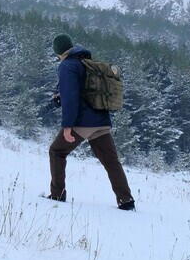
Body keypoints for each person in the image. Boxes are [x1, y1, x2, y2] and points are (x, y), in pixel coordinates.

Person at [47, 33, 136, 211]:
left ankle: (57, 194)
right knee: (111, 161)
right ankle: (126, 200)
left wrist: (67, 126)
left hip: (82, 122)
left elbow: (71, 97)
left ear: (58, 52)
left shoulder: (67, 66)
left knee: (57, 151)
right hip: (101, 121)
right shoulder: (86, 62)